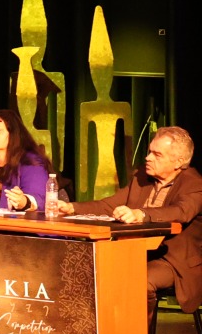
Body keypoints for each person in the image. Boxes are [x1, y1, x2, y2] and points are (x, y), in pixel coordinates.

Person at [54, 127, 202, 311]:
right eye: (149, 152)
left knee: (139, 281)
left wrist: (141, 214)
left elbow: (181, 212)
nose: (148, 158)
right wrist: (72, 208)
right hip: (133, 252)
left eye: (157, 155)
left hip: (173, 260)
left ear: (178, 162)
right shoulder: (142, 176)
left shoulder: (194, 183)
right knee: (87, 270)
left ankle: (139, 330)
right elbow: (109, 206)